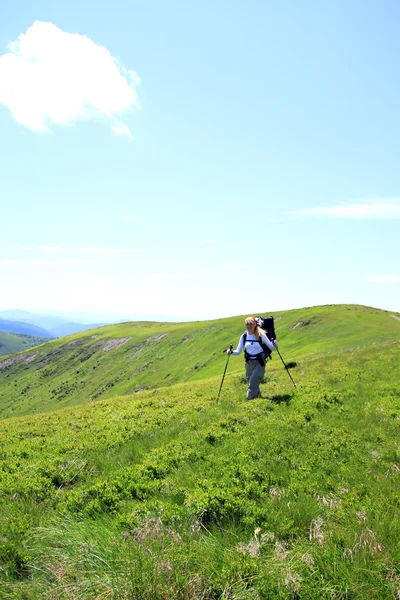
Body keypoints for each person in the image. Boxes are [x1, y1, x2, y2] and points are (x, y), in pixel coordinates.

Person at [227, 316, 277, 401]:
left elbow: (273, 348)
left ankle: (248, 401)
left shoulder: (261, 335)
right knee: (250, 381)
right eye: (247, 324)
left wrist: (275, 343)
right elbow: (238, 351)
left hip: (260, 362)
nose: (249, 326)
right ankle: (258, 398)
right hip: (248, 363)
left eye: (251, 324)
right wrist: (231, 352)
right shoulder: (244, 336)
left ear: (255, 325)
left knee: (252, 383)